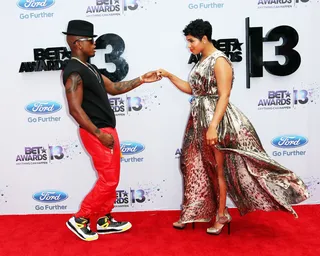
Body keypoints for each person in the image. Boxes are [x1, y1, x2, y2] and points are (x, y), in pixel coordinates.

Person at [157, 19, 309, 235]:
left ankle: (221, 215)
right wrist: (169, 75)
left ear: (204, 38)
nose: (189, 46)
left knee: (219, 169)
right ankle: (194, 211)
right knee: (193, 164)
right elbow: (193, 89)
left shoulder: (220, 60)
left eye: (191, 41)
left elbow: (224, 95)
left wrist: (213, 126)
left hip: (215, 121)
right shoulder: (201, 61)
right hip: (198, 120)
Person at [62, 20, 161, 241]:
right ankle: (80, 219)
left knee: (111, 178)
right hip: (96, 132)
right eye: (91, 40)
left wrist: (142, 79)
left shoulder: (91, 68)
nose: (95, 44)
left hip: (106, 131)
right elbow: (75, 110)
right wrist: (99, 134)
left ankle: (104, 219)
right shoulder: (74, 71)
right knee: (108, 180)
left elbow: (115, 88)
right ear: (78, 43)